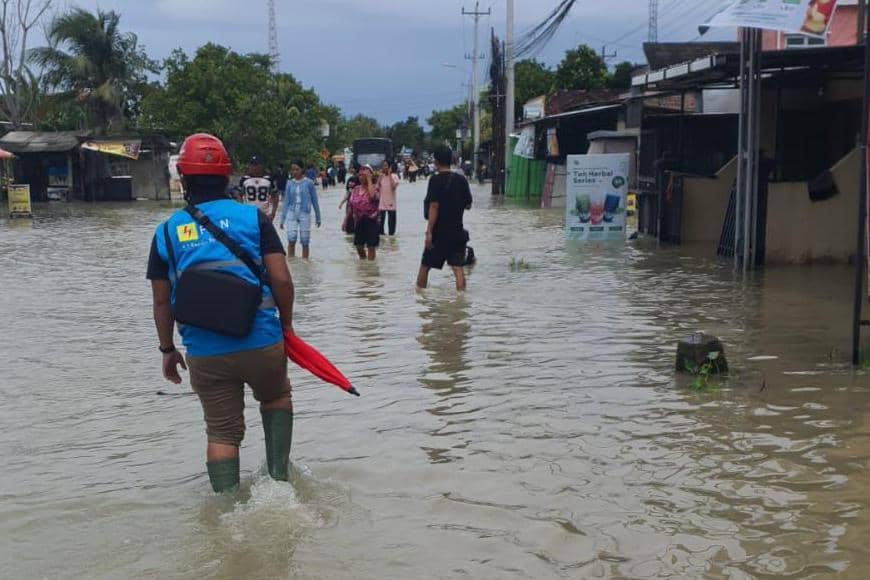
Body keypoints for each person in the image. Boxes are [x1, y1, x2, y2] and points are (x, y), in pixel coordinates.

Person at [146, 133, 296, 494]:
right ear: (228, 177)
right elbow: (281, 279)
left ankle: (227, 513)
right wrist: (286, 327)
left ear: (183, 177)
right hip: (262, 342)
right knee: (276, 397)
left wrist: (167, 350)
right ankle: (279, 481)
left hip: (206, 352)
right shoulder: (253, 219)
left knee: (222, 432)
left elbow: (162, 302)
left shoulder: (167, 233)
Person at [417, 145, 473, 291]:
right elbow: (468, 205)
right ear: (451, 160)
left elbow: (434, 206)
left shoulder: (435, 180)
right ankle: (461, 300)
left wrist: (429, 231)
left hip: (439, 233)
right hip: (457, 231)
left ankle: (420, 297)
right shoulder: (462, 180)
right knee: (458, 269)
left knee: (425, 266)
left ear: (435, 161)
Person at [279, 160, 322, 259]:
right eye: (293, 170)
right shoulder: (289, 183)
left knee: (305, 240)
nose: (294, 172)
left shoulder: (309, 183)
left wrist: (318, 217)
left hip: (305, 212)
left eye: (297, 169)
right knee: (291, 238)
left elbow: (314, 201)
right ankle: (292, 261)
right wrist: (282, 219)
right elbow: (286, 201)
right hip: (292, 212)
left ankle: (305, 263)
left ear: (302, 169)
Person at [349, 164, 380, 260]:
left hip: (372, 220)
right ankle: (363, 263)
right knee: (358, 246)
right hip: (358, 220)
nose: (362, 177)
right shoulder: (356, 189)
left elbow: (372, 196)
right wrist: (346, 220)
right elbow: (351, 205)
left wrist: (369, 180)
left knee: (371, 246)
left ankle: (370, 268)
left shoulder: (375, 187)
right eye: (360, 175)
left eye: (365, 175)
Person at [378, 160, 400, 236]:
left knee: (391, 231)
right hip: (381, 203)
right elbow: (377, 188)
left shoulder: (395, 176)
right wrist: (379, 178)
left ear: (389, 167)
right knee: (380, 229)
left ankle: (391, 243)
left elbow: (393, 187)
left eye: (386, 165)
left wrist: (390, 175)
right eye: (383, 166)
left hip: (391, 203)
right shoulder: (380, 176)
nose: (385, 167)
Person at [340, 165, 360, 234]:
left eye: (352, 168)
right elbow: (348, 192)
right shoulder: (350, 179)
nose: (351, 169)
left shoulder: (360, 179)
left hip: (357, 204)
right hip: (350, 203)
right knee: (349, 220)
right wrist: (342, 202)